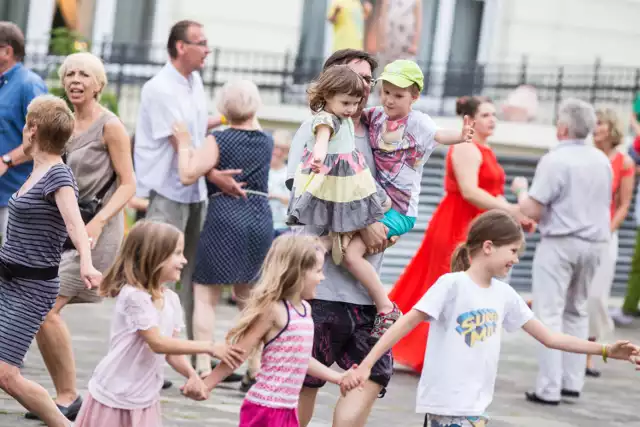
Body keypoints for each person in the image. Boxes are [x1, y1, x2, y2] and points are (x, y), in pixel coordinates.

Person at [340, 210, 640, 427]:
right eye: (513, 250)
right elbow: (404, 324)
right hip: (448, 405)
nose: (516, 259)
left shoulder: (504, 294)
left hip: (477, 407)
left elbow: (550, 338)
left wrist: (605, 350)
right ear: (487, 247)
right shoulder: (452, 285)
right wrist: (367, 366)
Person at [285, 49, 395, 427]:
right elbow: (301, 191)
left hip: (365, 291)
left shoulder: (381, 134)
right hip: (320, 288)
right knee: (305, 381)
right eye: (352, 77)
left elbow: (399, 193)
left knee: (373, 375)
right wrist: (364, 221)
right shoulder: (317, 127)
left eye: (368, 80)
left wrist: (389, 224)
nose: (361, 87)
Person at [387, 95, 534, 373]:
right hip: (457, 223)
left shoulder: (484, 149)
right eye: (486, 115)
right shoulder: (466, 148)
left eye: (494, 115)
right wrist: (511, 209)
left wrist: (516, 217)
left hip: (478, 224)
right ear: (470, 120)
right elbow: (470, 191)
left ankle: (446, 351)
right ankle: (427, 350)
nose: (493, 120)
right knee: (445, 286)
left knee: (465, 290)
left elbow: (490, 193)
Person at [27, 52, 136, 422]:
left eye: (84, 75)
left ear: (98, 85)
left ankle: (68, 395)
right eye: (69, 73)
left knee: (45, 308)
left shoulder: (110, 126)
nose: (75, 80)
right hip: (62, 228)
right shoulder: (62, 124)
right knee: (43, 308)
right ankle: (65, 394)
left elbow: (129, 184)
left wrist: (101, 221)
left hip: (96, 230)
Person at [73, 221, 244, 427]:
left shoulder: (171, 299)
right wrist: (209, 347)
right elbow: (157, 343)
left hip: (145, 396)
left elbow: (171, 352)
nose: (184, 260)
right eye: (177, 253)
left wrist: (192, 375)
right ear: (154, 255)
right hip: (115, 393)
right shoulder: (134, 296)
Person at [0, 95, 101, 427]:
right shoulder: (35, 171)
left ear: (32, 129)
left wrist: (86, 263)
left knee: (7, 375)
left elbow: (76, 226)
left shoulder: (58, 176)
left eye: (26, 124)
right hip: (7, 279)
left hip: (31, 288)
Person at [133, 19, 231, 346]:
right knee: (159, 273)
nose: (208, 49)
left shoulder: (195, 81)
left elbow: (197, 128)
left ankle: (191, 351)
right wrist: (216, 176)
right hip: (167, 193)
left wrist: (235, 117)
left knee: (189, 275)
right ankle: (152, 349)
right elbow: (181, 145)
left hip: (193, 191)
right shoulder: (159, 87)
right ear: (180, 47)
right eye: (201, 43)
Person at [190, 235, 356, 427]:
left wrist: (337, 377)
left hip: (288, 409)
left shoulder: (304, 310)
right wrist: (206, 385)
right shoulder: (273, 310)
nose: (322, 277)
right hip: (264, 408)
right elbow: (239, 353)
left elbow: (300, 357)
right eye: (318, 271)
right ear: (298, 273)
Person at [173, 79, 273, 389]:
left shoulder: (219, 139)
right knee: (251, 299)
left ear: (222, 108)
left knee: (206, 295)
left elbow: (187, 174)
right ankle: (254, 366)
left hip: (225, 216)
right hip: (259, 216)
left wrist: (184, 144)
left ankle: (204, 363)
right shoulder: (267, 140)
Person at [511, 99, 612, 405]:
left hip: (561, 242)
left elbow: (532, 208)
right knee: (577, 310)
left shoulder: (556, 160)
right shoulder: (602, 160)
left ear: (564, 127)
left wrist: (520, 189)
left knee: (549, 314)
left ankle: (549, 388)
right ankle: (572, 382)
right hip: (596, 244)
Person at [587, 108, 633, 377]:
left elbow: (623, 205)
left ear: (611, 128)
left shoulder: (624, 162)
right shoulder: (586, 157)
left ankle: (592, 353)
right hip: (579, 233)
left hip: (605, 236)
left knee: (595, 297)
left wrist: (608, 231)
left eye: (601, 123)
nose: (596, 127)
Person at [0, 22, 48, 243]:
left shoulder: (30, 84)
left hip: (16, 196)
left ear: (6, 51)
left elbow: (43, 140)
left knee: (14, 267)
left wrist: (6, 160)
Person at [376, 0, 423, 67]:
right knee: (386, 70)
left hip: (406, 44)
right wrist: (382, 40)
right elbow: (382, 18)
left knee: (404, 71)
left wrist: (415, 44)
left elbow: (418, 23)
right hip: (389, 43)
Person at [268, 129, 292, 238]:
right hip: (262, 224)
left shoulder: (290, 174)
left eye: (283, 149)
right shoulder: (261, 171)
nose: (277, 152)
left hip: (282, 227)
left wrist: (274, 196)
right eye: (275, 147)